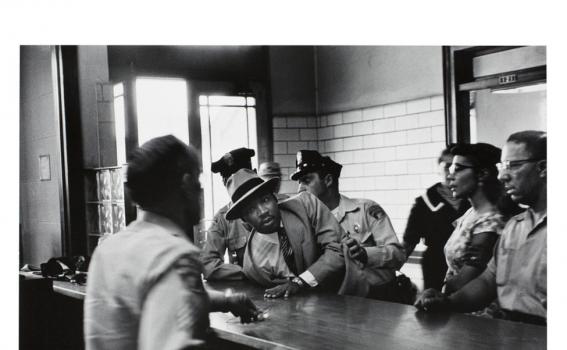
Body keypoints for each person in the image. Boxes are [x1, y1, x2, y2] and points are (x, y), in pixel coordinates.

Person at [84, 136, 261, 350]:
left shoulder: (110, 249)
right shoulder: (173, 255)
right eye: (199, 180)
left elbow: (158, 297)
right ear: (187, 185)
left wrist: (227, 301)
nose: (200, 190)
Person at [415, 131, 547, 326]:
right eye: (502, 166)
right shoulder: (515, 226)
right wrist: (447, 301)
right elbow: (488, 281)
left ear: (543, 167)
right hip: (509, 334)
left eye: (513, 166)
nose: (503, 176)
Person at [291, 150, 406, 302]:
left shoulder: (365, 210)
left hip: (378, 298)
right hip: (335, 301)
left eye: (306, 180)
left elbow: (398, 255)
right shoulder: (305, 223)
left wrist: (364, 254)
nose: (300, 189)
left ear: (328, 180)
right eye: (299, 183)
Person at [224, 168, 350, 299]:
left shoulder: (306, 206)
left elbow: (338, 249)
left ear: (275, 199)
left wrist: (299, 282)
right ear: (244, 220)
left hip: (349, 292)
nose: (262, 211)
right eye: (251, 209)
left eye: (265, 200)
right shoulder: (253, 266)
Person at [442, 143, 510, 295]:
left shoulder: (491, 222)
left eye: (457, 169)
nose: (450, 176)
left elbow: (466, 280)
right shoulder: (470, 213)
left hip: (477, 313)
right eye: (450, 169)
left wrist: (441, 290)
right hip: (456, 307)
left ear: (482, 174)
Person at [402, 146, 470, 290]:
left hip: (469, 266)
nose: (451, 173)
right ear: (438, 168)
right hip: (436, 264)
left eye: (456, 168)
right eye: (447, 167)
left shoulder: (473, 199)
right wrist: (392, 271)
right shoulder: (425, 202)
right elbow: (409, 242)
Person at [201, 148, 256, 281]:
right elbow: (208, 265)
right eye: (228, 181)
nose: (236, 187)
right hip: (250, 291)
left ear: (254, 174)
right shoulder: (222, 218)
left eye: (241, 178)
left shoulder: (280, 204)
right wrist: (251, 272)